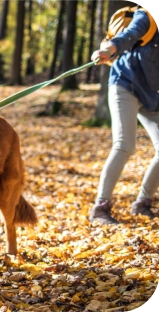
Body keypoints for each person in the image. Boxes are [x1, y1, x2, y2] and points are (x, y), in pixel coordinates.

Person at [90, 8, 159, 224]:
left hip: (152, 95)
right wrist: (109, 50)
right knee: (124, 144)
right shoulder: (148, 15)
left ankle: (142, 203)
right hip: (125, 84)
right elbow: (128, 35)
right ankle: (100, 208)